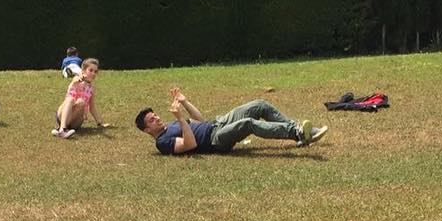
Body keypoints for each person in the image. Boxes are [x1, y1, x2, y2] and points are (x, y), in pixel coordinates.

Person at [135, 88, 327, 154]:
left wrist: (185, 102)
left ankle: (298, 130)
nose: (157, 118)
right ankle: (298, 133)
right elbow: (190, 144)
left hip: (217, 124)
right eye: (152, 120)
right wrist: (179, 118)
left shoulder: (172, 125)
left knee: (259, 105)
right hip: (215, 140)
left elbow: (200, 120)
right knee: (248, 123)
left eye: (155, 115)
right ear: (147, 130)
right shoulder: (162, 142)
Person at [53, 57, 110, 139]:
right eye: (91, 70)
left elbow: (92, 108)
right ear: (83, 70)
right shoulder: (76, 80)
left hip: (75, 121)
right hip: (62, 116)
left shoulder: (91, 89)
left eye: (95, 71)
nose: (93, 73)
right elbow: (74, 82)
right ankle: (62, 129)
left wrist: (100, 123)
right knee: (70, 99)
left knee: (81, 102)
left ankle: (60, 130)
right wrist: (78, 80)